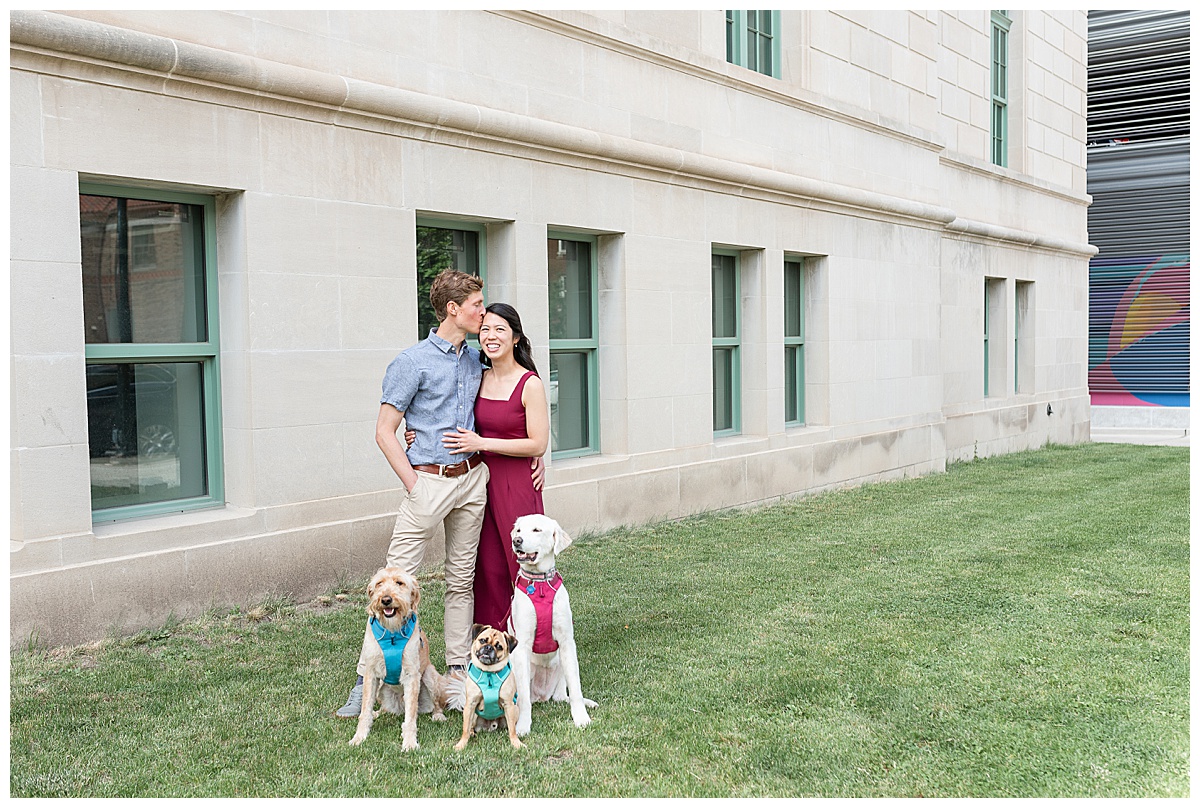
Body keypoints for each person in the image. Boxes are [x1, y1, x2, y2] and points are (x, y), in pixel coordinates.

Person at [336, 271, 543, 718]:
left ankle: (455, 672)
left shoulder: (475, 360)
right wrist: (413, 482)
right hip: (427, 481)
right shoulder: (411, 362)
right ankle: (365, 678)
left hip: (473, 480)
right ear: (454, 309)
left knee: (460, 578)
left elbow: (508, 408)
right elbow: (384, 431)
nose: (483, 313)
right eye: (477, 306)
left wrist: (536, 453)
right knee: (393, 583)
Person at [441, 303, 549, 631]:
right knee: (487, 568)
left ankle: (531, 640)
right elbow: (446, 408)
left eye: (500, 329)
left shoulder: (529, 383)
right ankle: (492, 641)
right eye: (485, 328)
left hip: (516, 484)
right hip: (479, 484)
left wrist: (483, 444)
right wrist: (415, 429)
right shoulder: (478, 376)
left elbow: (538, 444)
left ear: (515, 338)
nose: (491, 335)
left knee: (520, 562)